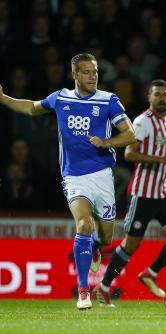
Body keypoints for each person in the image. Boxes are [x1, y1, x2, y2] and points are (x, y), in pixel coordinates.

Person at [0, 53, 135, 310]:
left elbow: (130, 135)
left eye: (95, 71)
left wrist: (106, 142)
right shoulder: (60, 98)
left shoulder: (108, 101)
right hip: (74, 176)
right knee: (83, 224)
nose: (93, 76)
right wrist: (3, 98)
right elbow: (31, 108)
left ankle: (95, 246)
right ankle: (84, 292)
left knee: (106, 238)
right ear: (74, 74)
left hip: (103, 176)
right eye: (86, 72)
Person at [95, 80, 166, 307]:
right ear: (149, 97)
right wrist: (163, 161)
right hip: (142, 192)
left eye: (165, 95)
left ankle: (150, 272)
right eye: (157, 94)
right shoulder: (142, 122)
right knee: (131, 244)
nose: (161, 98)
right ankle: (104, 286)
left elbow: (161, 154)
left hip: (163, 191)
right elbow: (129, 154)